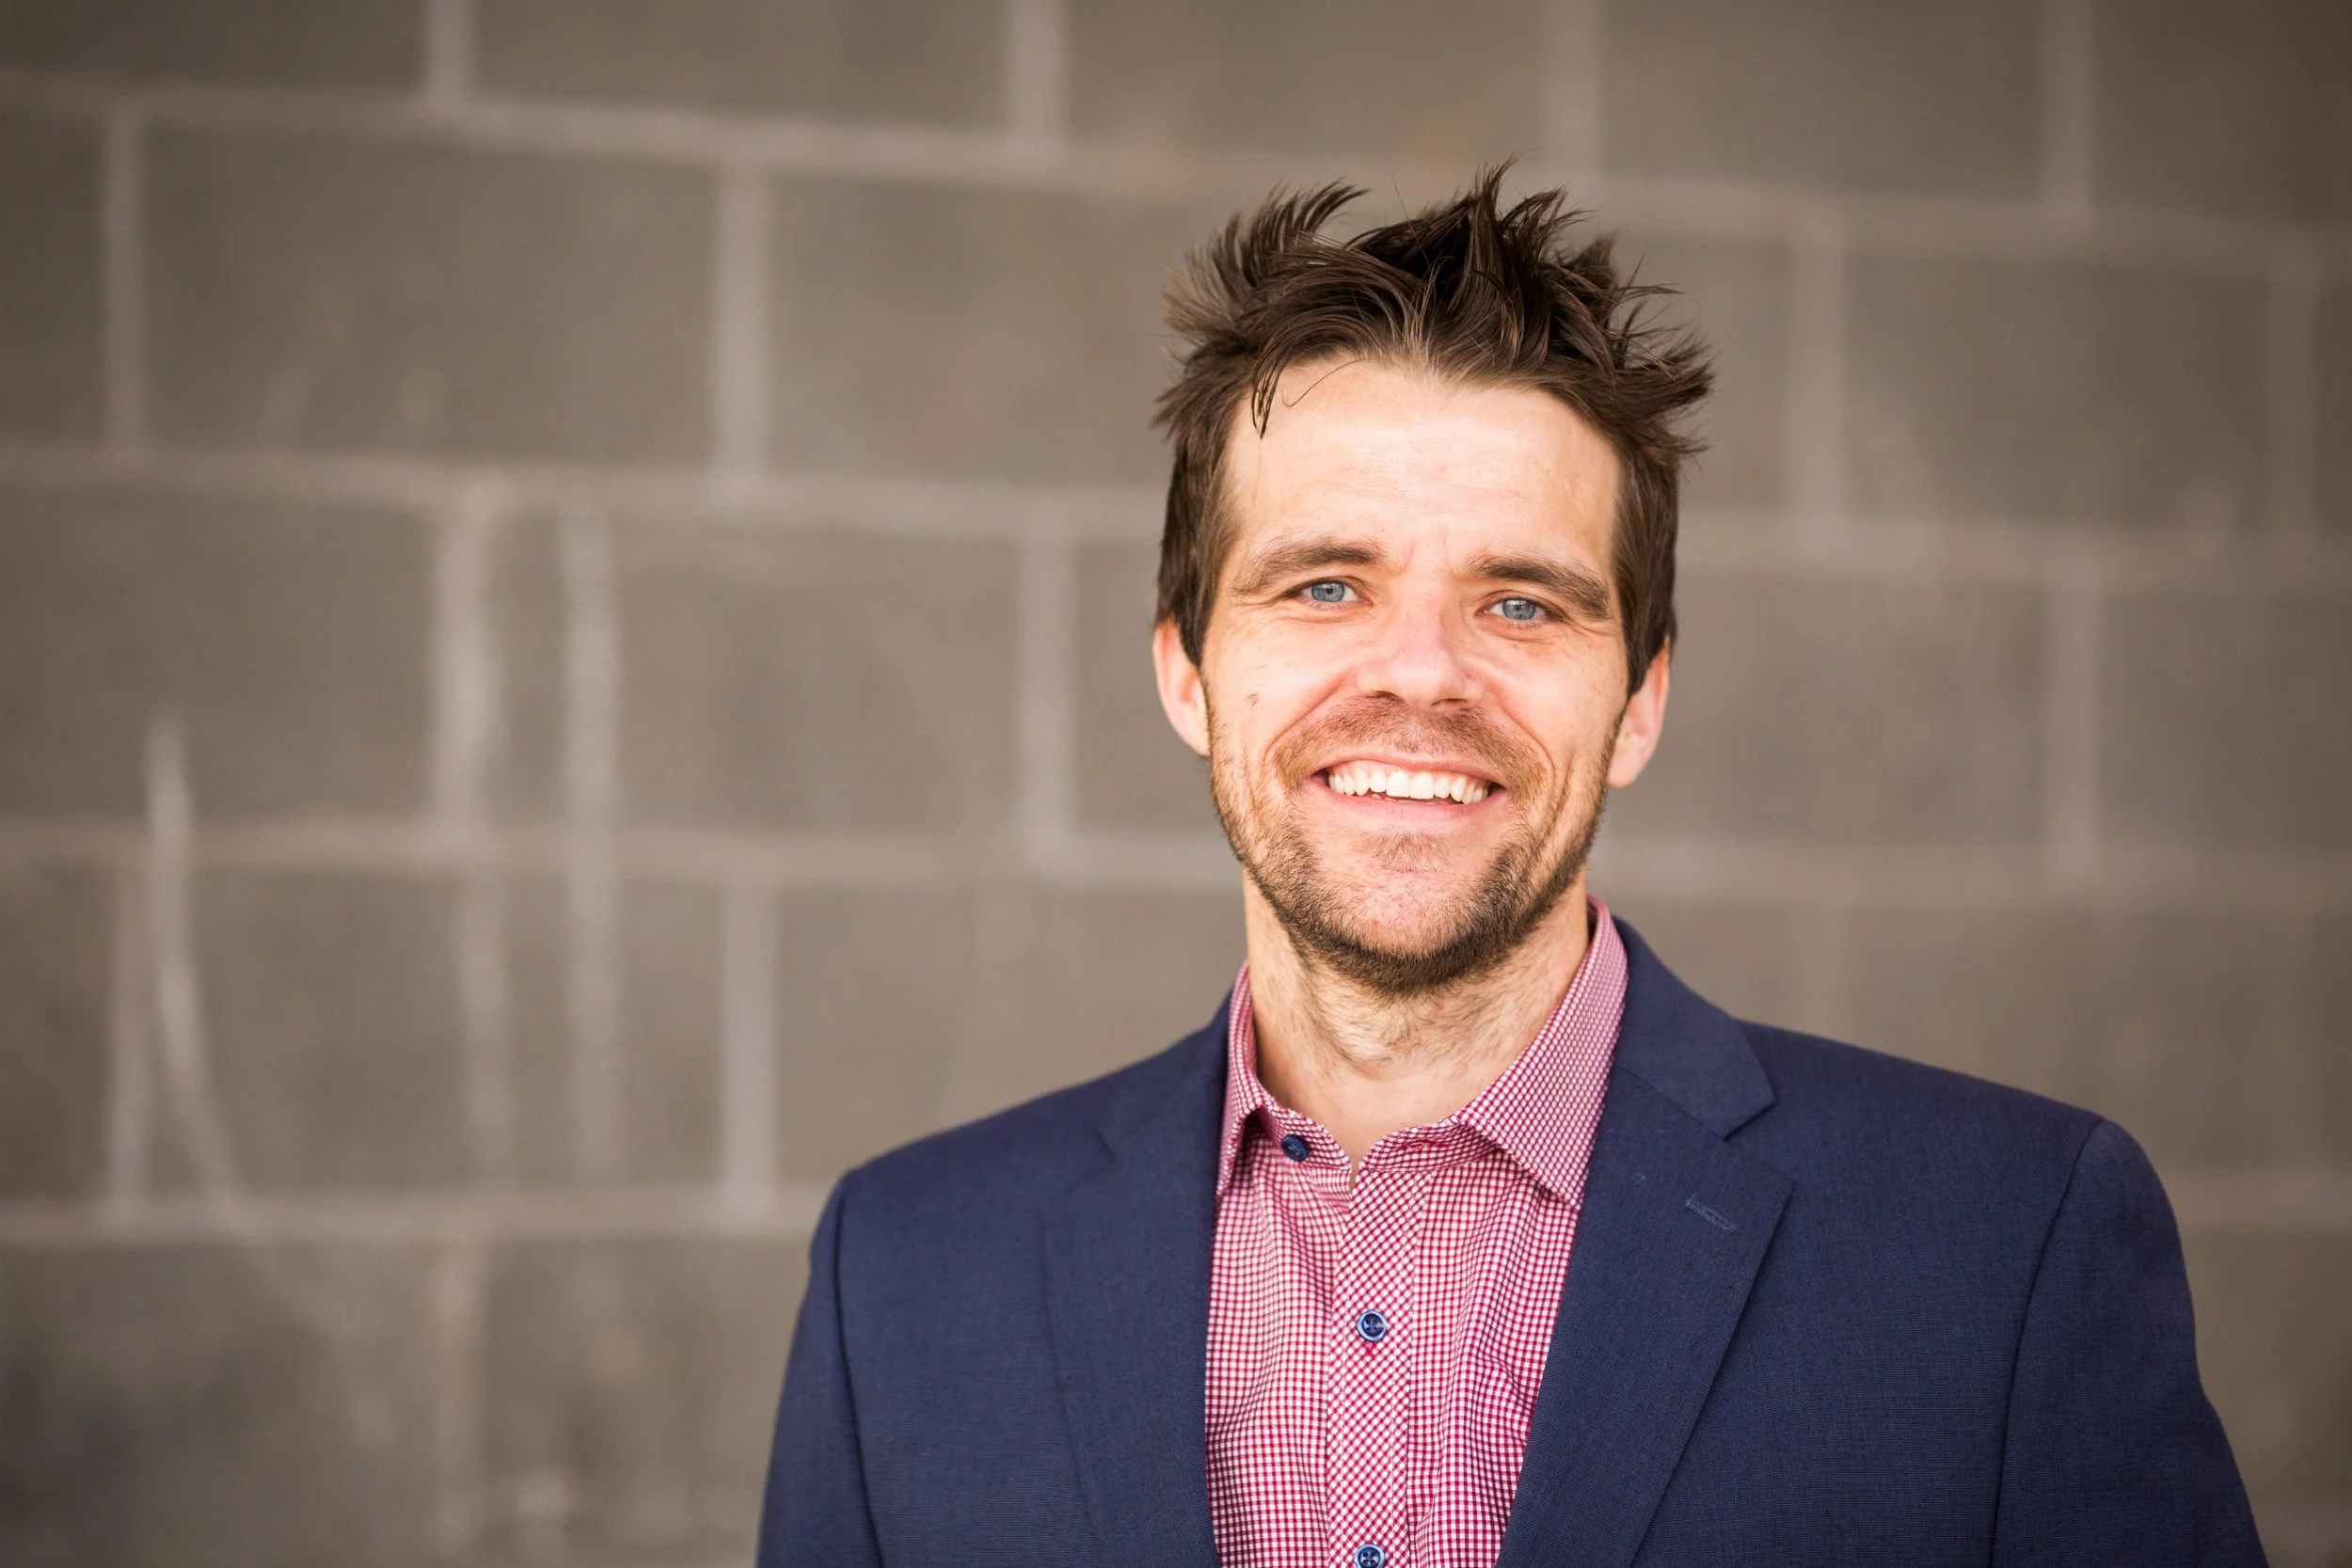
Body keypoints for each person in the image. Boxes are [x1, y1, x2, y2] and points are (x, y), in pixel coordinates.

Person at [756, 170, 2263, 1568]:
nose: (1421, 674)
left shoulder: (2008, 1250)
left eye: (1524, 604)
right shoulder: (904, 1278)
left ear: (1643, 699)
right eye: (1326, 583)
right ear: (1188, 672)